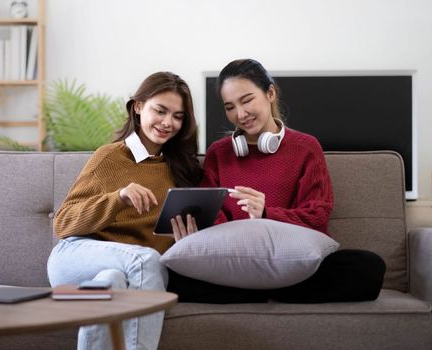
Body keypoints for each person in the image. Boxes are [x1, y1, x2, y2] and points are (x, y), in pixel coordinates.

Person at [168, 58, 386, 304]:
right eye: (230, 107)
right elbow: (210, 214)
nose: (240, 114)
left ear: (270, 93)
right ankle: (272, 292)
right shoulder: (219, 152)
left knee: (368, 267)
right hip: (235, 265)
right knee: (169, 275)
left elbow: (317, 215)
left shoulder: (306, 147)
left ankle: (253, 293)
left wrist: (266, 214)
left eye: (247, 100)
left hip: (292, 264)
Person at [47, 71, 202, 350]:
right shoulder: (110, 157)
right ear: (138, 106)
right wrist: (118, 198)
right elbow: (63, 224)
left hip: (127, 272)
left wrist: (186, 243)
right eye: (160, 110)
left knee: (111, 282)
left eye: (178, 116)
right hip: (77, 254)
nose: (168, 122)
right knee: (145, 261)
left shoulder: (181, 169)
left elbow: (164, 243)